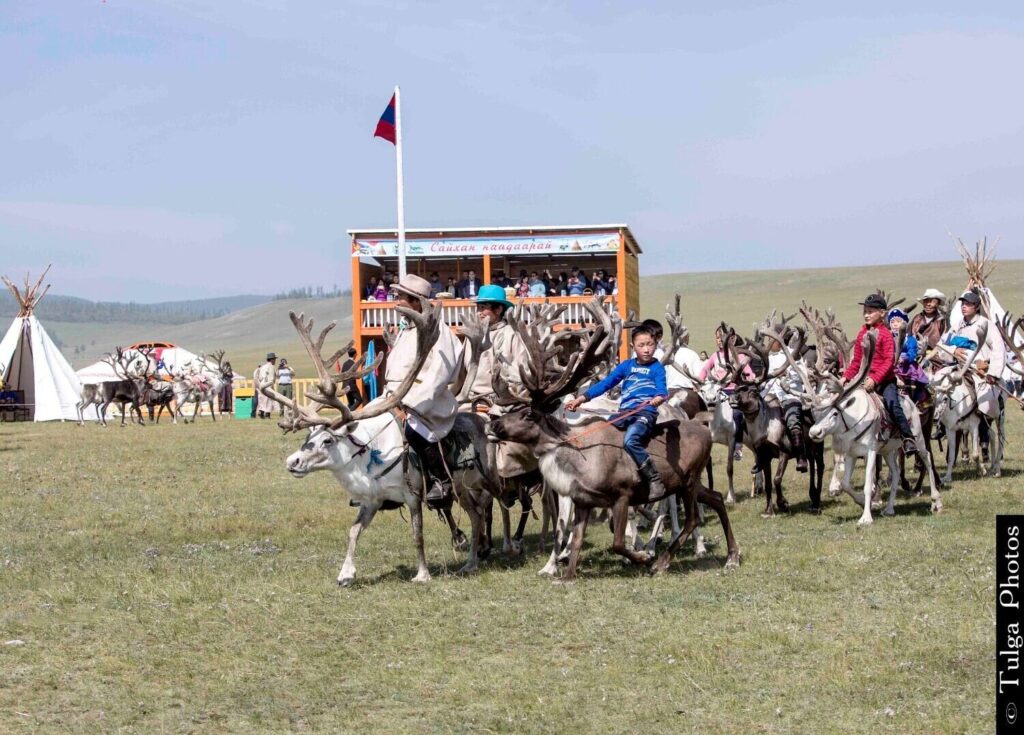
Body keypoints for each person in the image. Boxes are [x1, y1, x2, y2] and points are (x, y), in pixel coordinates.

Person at [386, 273, 464, 508]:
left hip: (428, 405)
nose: (396, 301)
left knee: (412, 430)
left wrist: (410, 405)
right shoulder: (406, 330)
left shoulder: (438, 331)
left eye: (401, 297)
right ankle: (384, 488)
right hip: (393, 400)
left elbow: (438, 376)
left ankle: (441, 481)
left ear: (417, 301)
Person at [566, 325, 669, 496]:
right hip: (624, 414)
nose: (646, 349)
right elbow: (605, 384)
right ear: (632, 347)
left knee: (630, 440)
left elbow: (662, 390)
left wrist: (659, 398)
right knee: (603, 434)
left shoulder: (657, 368)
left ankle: (654, 479)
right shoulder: (626, 366)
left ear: (655, 345)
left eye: (650, 344)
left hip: (644, 413)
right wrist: (582, 399)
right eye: (641, 345)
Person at [841, 294, 916, 455]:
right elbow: (857, 361)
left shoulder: (886, 334)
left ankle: (907, 438)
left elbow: (889, 361)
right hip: (863, 381)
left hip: (885, 381)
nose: (866, 314)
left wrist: (875, 380)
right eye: (865, 311)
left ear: (882, 313)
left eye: (870, 311)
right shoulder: (862, 334)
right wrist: (845, 378)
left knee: (893, 405)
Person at [935, 290, 1005, 449]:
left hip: (979, 370)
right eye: (962, 304)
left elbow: (998, 350)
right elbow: (941, 345)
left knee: (984, 399)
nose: (964, 307)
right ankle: (941, 423)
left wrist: (994, 373)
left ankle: (984, 428)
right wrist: (953, 351)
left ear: (977, 306)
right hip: (958, 368)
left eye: (968, 304)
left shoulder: (986, 324)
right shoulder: (957, 326)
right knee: (938, 382)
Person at [762, 330, 808, 472]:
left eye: (771, 339)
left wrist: (788, 374)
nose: (768, 343)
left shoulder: (793, 353)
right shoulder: (768, 357)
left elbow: (803, 375)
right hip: (770, 397)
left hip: (789, 396)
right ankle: (760, 457)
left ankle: (801, 456)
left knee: (793, 420)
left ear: (780, 340)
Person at [889, 308, 929, 405]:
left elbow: (912, 353)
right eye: (892, 322)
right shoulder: (888, 338)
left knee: (917, 384)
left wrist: (904, 358)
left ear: (905, 323)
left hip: (907, 367)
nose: (895, 324)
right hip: (891, 366)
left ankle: (920, 400)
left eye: (898, 321)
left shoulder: (910, 339)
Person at [254, 352, 277, 419]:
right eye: (274, 359)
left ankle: (261, 412)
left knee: (262, 399)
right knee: (269, 400)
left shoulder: (262, 367)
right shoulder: (272, 367)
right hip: (268, 385)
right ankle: (267, 414)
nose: (275, 361)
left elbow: (260, 377)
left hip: (261, 384)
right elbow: (273, 377)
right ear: (272, 359)